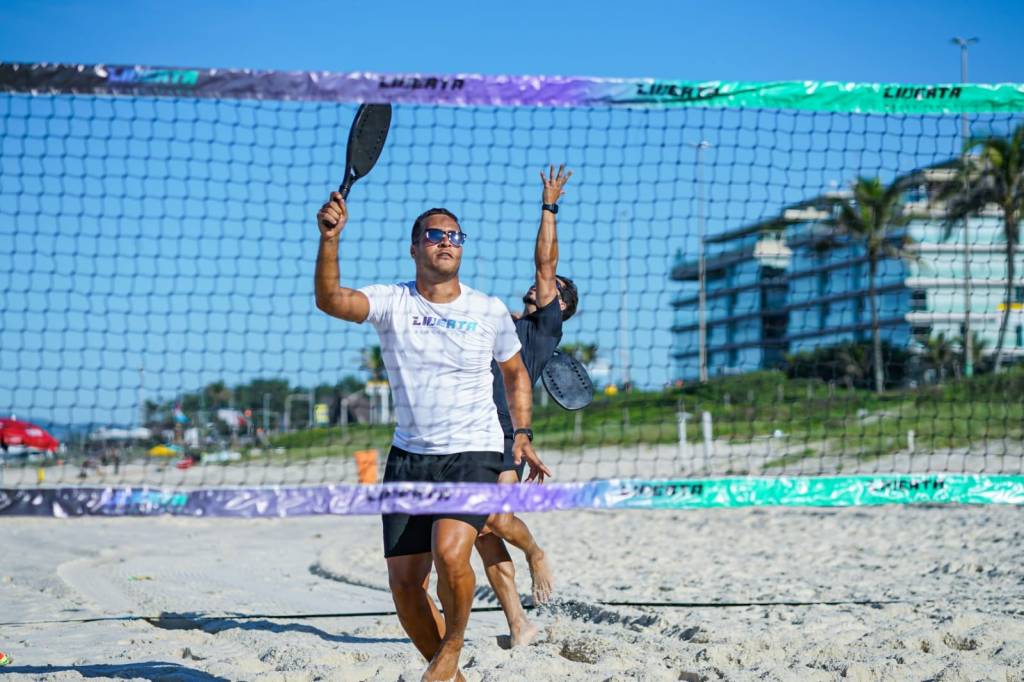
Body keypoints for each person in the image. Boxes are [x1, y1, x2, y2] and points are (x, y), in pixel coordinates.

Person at [314, 193, 552, 682]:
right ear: (414, 248)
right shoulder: (393, 301)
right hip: (409, 457)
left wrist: (522, 433)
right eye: (435, 235)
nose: (446, 242)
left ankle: (453, 647)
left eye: (454, 236)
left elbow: (515, 374)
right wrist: (330, 240)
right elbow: (331, 299)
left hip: (474, 451)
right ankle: (452, 676)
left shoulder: (487, 309)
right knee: (404, 586)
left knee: (451, 553)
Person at [474, 165, 578, 647]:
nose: (541, 284)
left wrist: (549, 206)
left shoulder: (545, 329)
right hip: (465, 430)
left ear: (558, 303)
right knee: (479, 532)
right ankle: (519, 625)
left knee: (495, 519)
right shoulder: (499, 322)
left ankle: (536, 551)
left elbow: (544, 264)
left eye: (552, 287)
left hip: (503, 432)